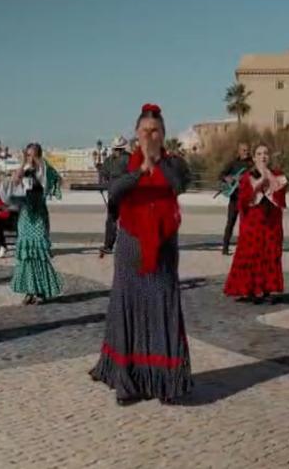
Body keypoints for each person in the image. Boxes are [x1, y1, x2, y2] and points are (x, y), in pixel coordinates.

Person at [90, 103, 193, 406]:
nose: (149, 135)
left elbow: (178, 185)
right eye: (145, 131)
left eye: (155, 131)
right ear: (136, 133)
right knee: (129, 308)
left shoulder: (174, 164)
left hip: (163, 247)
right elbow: (114, 193)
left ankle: (165, 381)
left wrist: (156, 163)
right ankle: (127, 381)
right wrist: (139, 172)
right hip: (131, 246)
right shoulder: (125, 164)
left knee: (162, 305)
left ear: (163, 134)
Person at [223, 143, 287, 302]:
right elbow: (245, 198)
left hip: (271, 222)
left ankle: (267, 289)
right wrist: (260, 181)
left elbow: (279, 194)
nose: (263, 156)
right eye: (259, 154)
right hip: (253, 221)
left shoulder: (277, 174)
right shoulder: (248, 176)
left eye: (266, 153)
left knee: (269, 253)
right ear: (254, 157)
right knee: (251, 253)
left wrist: (268, 176)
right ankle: (248, 289)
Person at [2, 143, 62, 305]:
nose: (31, 158)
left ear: (39, 155)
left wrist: (39, 162)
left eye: (33, 155)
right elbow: (15, 181)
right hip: (26, 214)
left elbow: (52, 181)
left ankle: (41, 290)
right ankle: (29, 290)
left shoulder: (44, 169)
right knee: (26, 254)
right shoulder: (25, 168)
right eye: (28, 155)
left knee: (39, 253)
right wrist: (23, 163)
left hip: (39, 214)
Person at [99, 135, 131, 255]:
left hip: (123, 194)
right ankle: (109, 246)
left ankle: (116, 246)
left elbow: (104, 174)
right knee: (112, 220)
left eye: (118, 149)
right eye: (115, 149)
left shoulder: (127, 159)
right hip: (117, 194)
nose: (116, 151)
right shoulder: (112, 160)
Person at [220, 142, 253, 255]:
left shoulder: (252, 164)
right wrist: (228, 178)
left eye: (247, 150)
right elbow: (221, 175)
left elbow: (257, 177)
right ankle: (225, 247)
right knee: (230, 223)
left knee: (247, 224)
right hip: (234, 198)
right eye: (244, 150)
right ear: (239, 151)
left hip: (247, 199)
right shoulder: (233, 163)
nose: (246, 152)